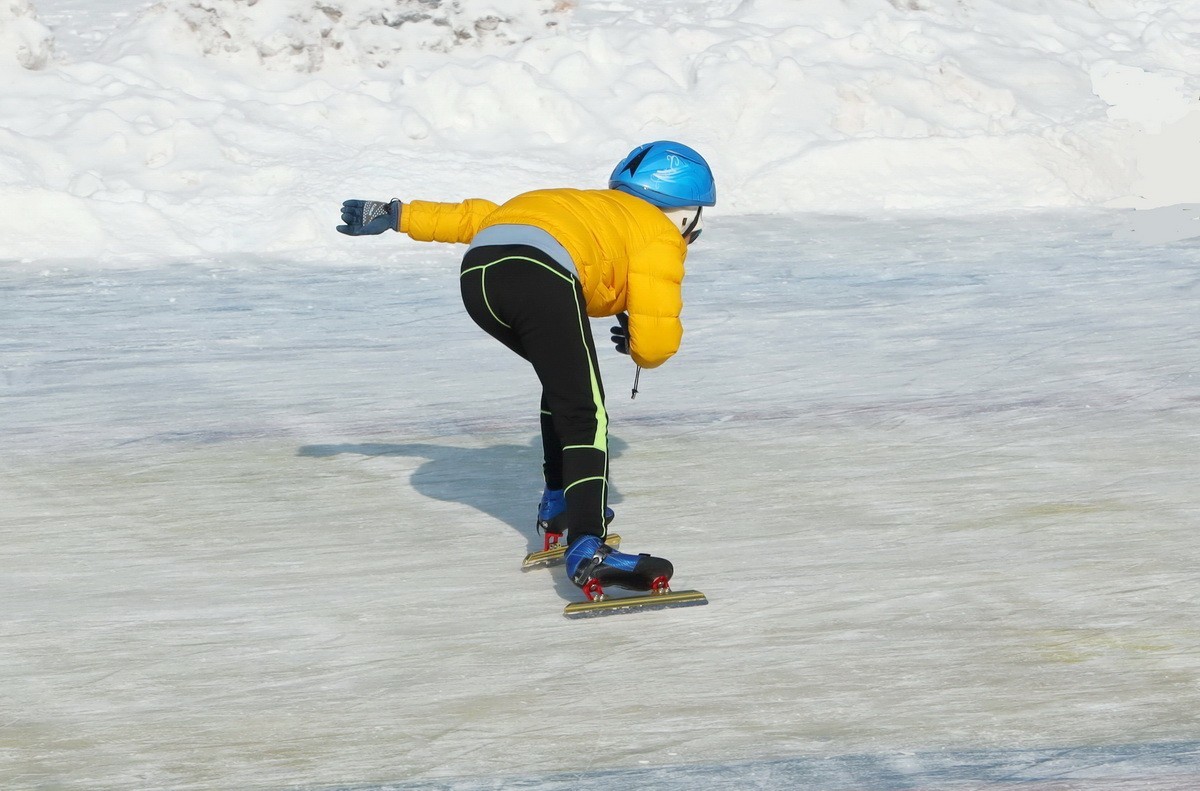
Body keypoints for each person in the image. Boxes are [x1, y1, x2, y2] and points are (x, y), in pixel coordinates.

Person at [336, 140, 716, 598]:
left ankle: (559, 507)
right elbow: (655, 346)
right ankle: (587, 546)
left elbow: (473, 217)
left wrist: (397, 214)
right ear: (684, 213)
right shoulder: (657, 232)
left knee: (564, 386)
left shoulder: (582, 205)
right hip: (540, 275)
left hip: (481, 277)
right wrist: (639, 348)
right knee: (585, 410)